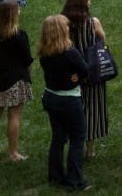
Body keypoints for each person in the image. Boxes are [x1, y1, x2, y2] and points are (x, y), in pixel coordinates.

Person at [37, 14, 91, 192]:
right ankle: (75, 181)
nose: (69, 28)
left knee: (58, 138)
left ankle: (55, 176)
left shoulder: (44, 52)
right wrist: (78, 77)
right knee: (77, 137)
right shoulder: (70, 53)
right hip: (68, 99)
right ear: (61, 31)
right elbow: (86, 70)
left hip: (50, 97)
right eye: (66, 26)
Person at [0, 0, 34, 161]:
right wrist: (27, 74)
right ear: (13, 14)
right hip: (16, 79)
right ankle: (13, 153)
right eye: (18, 9)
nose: (20, 10)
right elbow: (27, 60)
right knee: (14, 115)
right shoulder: (19, 35)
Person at [61, 0, 108, 159]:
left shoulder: (63, 23)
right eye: (88, 0)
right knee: (93, 109)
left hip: (71, 71)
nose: (90, 2)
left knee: (74, 109)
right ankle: (90, 149)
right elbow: (102, 41)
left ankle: (75, 145)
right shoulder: (93, 22)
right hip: (92, 71)